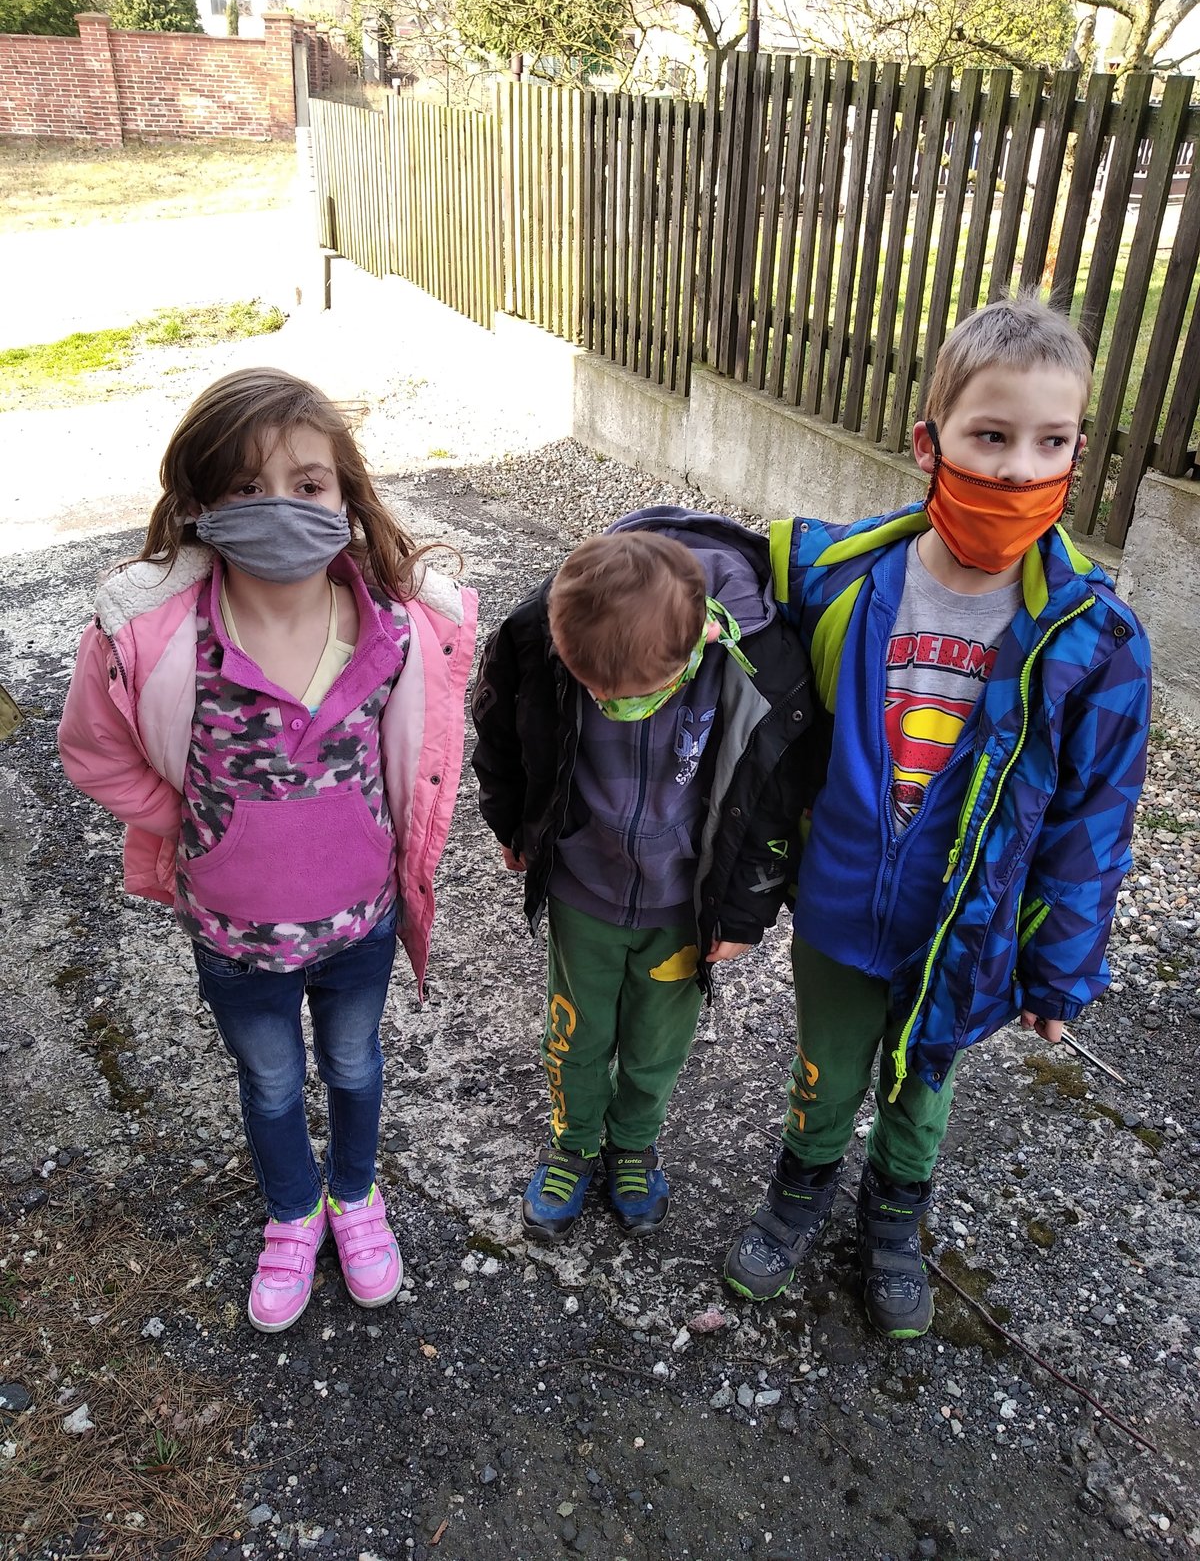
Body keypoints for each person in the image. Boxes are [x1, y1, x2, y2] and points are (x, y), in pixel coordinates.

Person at [723, 296, 1152, 1338]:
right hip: (837, 907)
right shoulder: (837, 580)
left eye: (1050, 442)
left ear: (1079, 452)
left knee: (922, 1084)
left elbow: (1094, 821)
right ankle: (799, 1192)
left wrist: (1060, 968)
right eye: (991, 436)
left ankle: (895, 1218)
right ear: (931, 443)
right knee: (825, 1069)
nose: (1017, 469)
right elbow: (715, 603)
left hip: (966, 927)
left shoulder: (1093, 639)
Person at [58, 368, 478, 1334]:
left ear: (345, 495)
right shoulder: (156, 637)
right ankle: (293, 1212)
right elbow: (94, 751)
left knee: (355, 1065)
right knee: (273, 1081)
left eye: (307, 483)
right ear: (199, 505)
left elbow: (418, 759)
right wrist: (190, 822)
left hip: (362, 926)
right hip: (234, 937)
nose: (280, 507)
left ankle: (355, 1195)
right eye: (247, 488)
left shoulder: (394, 627)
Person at [471, 509, 822, 1242]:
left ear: (699, 642)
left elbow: (771, 792)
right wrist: (513, 825)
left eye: (635, 694)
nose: (612, 707)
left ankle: (633, 1143)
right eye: (594, 692)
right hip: (582, 889)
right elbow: (504, 732)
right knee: (575, 1032)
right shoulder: (547, 632)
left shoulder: (749, 660)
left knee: (657, 1043)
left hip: (681, 905)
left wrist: (743, 912)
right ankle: (573, 1144)